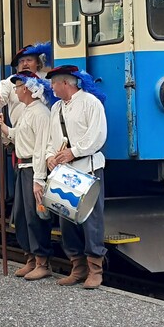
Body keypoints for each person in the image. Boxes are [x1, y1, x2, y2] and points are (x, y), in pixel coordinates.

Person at [43, 65, 108, 289]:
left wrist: (74, 151)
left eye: (53, 83)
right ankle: (77, 267)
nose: (50, 87)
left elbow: (97, 135)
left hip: (87, 169)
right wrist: (51, 156)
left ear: (66, 84)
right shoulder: (57, 108)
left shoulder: (91, 103)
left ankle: (95, 270)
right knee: (66, 221)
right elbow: (52, 139)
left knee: (91, 221)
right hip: (66, 173)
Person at [0, 71, 54, 280]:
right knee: (21, 215)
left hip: (32, 169)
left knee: (34, 216)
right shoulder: (29, 111)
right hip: (23, 167)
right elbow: (20, 135)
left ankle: (42, 261)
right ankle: (30, 257)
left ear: (26, 88)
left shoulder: (40, 113)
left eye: (18, 87)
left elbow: (40, 148)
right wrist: (4, 128)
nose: (16, 91)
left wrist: (39, 180)